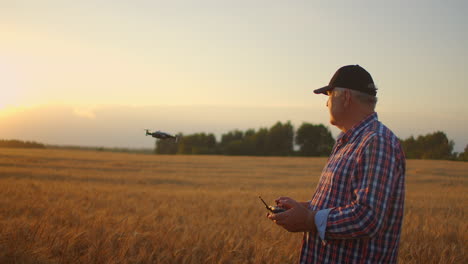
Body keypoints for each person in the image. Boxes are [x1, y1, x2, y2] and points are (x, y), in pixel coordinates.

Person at [268, 65, 406, 264]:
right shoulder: (348, 141)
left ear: (346, 97)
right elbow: (341, 204)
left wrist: (308, 219)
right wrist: (302, 209)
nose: (326, 104)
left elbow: (368, 217)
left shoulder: (376, 142)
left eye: (329, 94)